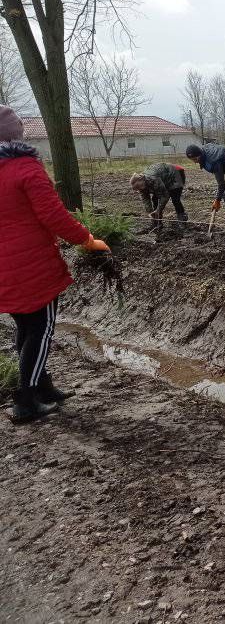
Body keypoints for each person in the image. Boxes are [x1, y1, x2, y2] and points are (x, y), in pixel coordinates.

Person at [0, 106, 110, 424]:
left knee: (25, 327)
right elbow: (53, 215)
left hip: (6, 267)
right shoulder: (25, 167)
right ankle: (25, 400)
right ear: (15, 134)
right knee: (42, 329)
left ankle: (43, 388)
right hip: (31, 265)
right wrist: (87, 239)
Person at [129, 163, 188, 230]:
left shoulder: (153, 179)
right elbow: (146, 200)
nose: (140, 189)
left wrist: (158, 210)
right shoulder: (142, 186)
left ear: (140, 179)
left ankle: (182, 219)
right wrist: (150, 212)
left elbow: (165, 196)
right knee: (155, 198)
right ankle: (157, 222)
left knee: (175, 198)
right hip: (164, 178)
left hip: (175, 173)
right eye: (137, 189)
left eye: (139, 186)